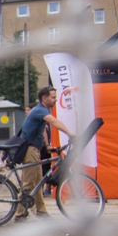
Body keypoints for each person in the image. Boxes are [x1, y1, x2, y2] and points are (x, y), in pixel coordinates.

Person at [16, 87, 71, 219]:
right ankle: (19, 214)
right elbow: (53, 121)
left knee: (38, 182)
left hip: (35, 150)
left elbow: (41, 132)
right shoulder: (40, 110)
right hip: (30, 150)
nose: (55, 99)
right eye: (53, 97)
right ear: (44, 98)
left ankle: (41, 211)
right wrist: (70, 133)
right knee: (29, 183)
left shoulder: (40, 111)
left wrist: (47, 146)